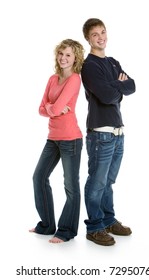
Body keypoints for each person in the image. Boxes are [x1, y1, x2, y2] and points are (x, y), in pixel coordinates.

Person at [81, 18, 136, 246]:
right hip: (100, 134)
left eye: (103, 32)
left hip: (118, 132)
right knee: (97, 182)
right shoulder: (89, 66)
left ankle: (108, 219)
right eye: (95, 34)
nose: (101, 37)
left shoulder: (113, 62)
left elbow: (132, 85)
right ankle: (94, 227)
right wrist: (118, 86)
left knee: (109, 181)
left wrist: (117, 86)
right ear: (88, 38)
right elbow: (107, 96)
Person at [29, 39, 84, 243]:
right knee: (38, 177)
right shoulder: (53, 79)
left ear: (75, 58)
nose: (63, 58)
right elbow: (41, 108)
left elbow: (54, 106)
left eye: (68, 55)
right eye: (61, 53)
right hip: (52, 139)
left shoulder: (75, 79)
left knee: (70, 186)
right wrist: (54, 109)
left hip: (71, 139)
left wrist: (52, 108)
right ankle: (47, 225)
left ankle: (66, 230)